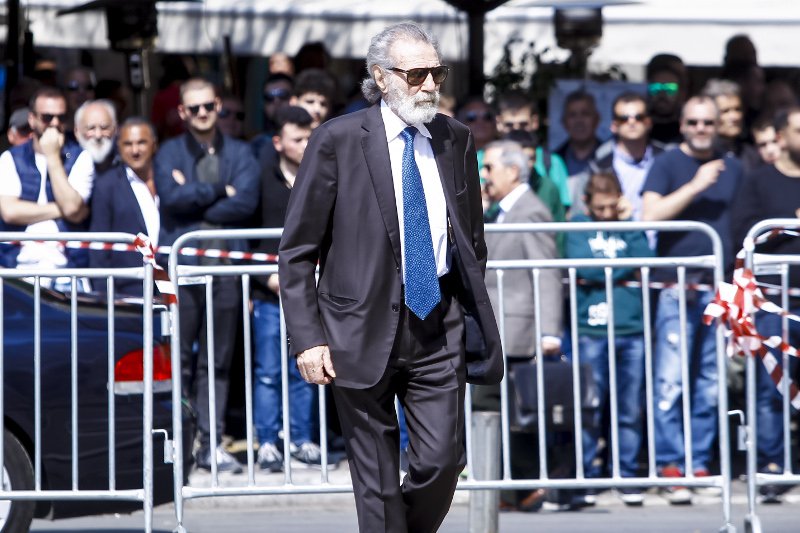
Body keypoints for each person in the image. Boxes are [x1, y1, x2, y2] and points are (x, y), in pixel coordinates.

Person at [278, 22, 502, 533]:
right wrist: (308, 339)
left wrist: (463, 308)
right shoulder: (337, 139)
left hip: (437, 324)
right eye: (416, 74)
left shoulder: (455, 139)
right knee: (376, 483)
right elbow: (296, 251)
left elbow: (471, 239)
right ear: (381, 77)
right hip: (356, 328)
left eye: (437, 73)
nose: (430, 85)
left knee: (441, 464)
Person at [154, 78, 260, 473]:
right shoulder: (168, 152)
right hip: (182, 271)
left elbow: (246, 203)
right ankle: (180, 439)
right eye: (194, 108)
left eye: (208, 107)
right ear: (182, 112)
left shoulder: (240, 151)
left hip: (226, 271)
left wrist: (195, 199)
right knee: (179, 359)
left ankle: (210, 441)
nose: (202, 114)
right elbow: (171, 199)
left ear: (217, 106)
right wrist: (219, 190)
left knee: (217, 361)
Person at [642, 96, 743, 504]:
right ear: (682, 125)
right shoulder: (667, 163)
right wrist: (696, 186)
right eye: (694, 122)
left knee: (710, 382)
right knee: (671, 380)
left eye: (708, 122)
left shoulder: (734, 167)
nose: (702, 129)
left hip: (719, 288)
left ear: (718, 127)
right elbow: (649, 215)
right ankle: (670, 464)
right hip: (674, 286)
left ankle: (699, 462)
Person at [479, 139, 562, 512]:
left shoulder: (530, 210)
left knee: (514, 412)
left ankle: (523, 487)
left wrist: (548, 331)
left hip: (517, 329)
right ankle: (507, 489)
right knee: (496, 410)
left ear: (513, 171)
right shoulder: (501, 209)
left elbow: (545, 271)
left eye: (489, 167)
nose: (484, 175)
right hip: (497, 327)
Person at [565, 170, 652, 506]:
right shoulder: (577, 226)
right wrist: (622, 268)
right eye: (599, 208)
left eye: (611, 208)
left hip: (631, 328)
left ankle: (625, 475)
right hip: (591, 329)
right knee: (590, 406)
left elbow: (646, 259)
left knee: (629, 408)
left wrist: (628, 225)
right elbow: (581, 265)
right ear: (587, 203)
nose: (605, 214)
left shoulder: (627, 226)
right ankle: (587, 476)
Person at [731, 106, 800, 503]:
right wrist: (789, 223)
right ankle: (774, 465)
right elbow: (742, 234)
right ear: (781, 136)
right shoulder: (759, 181)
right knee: (772, 387)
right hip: (775, 302)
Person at [250, 106, 320, 471]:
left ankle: (302, 439)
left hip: (309, 292)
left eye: (310, 136)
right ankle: (266, 442)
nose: (306, 144)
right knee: (267, 371)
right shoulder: (261, 179)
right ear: (278, 142)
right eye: (297, 139)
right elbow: (246, 235)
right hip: (269, 294)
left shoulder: (321, 174)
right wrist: (265, 277)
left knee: (305, 366)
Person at [0, 87, 94, 288]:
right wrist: (64, 209)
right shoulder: (10, 158)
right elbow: (10, 212)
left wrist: (52, 157)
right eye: (47, 117)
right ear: (32, 119)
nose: (55, 123)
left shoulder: (81, 156)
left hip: (68, 272)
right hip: (18, 271)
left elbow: (72, 209)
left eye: (61, 117)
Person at [570, 92, 663, 231]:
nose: (631, 122)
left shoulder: (667, 160)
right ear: (614, 125)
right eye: (623, 118)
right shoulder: (596, 168)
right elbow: (579, 216)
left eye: (639, 117)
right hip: (614, 240)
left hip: (663, 241)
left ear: (648, 122)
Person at [89, 118, 159, 297]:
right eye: (128, 144)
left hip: (171, 284)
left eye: (141, 143)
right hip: (128, 290)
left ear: (153, 145)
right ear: (119, 147)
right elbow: (99, 244)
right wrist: (104, 296)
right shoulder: (107, 185)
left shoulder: (167, 178)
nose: (135, 150)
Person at [495, 89, 571, 208]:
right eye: (509, 125)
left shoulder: (552, 163)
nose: (516, 130)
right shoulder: (482, 160)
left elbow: (562, 209)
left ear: (534, 122)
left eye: (523, 124)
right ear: (499, 123)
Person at [555, 90, 602, 179]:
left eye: (585, 114)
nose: (579, 121)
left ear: (596, 119)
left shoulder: (610, 157)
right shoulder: (553, 161)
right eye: (572, 115)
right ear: (564, 122)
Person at [646, 54, 689, 146]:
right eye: (656, 88)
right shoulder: (638, 127)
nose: (662, 94)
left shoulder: (692, 128)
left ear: (682, 92)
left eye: (670, 88)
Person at [74, 99, 118, 174]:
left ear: (115, 129)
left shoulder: (125, 163)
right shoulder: (70, 160)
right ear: (77, 132)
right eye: (91, 128)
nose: (98, 135)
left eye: (104, 128)